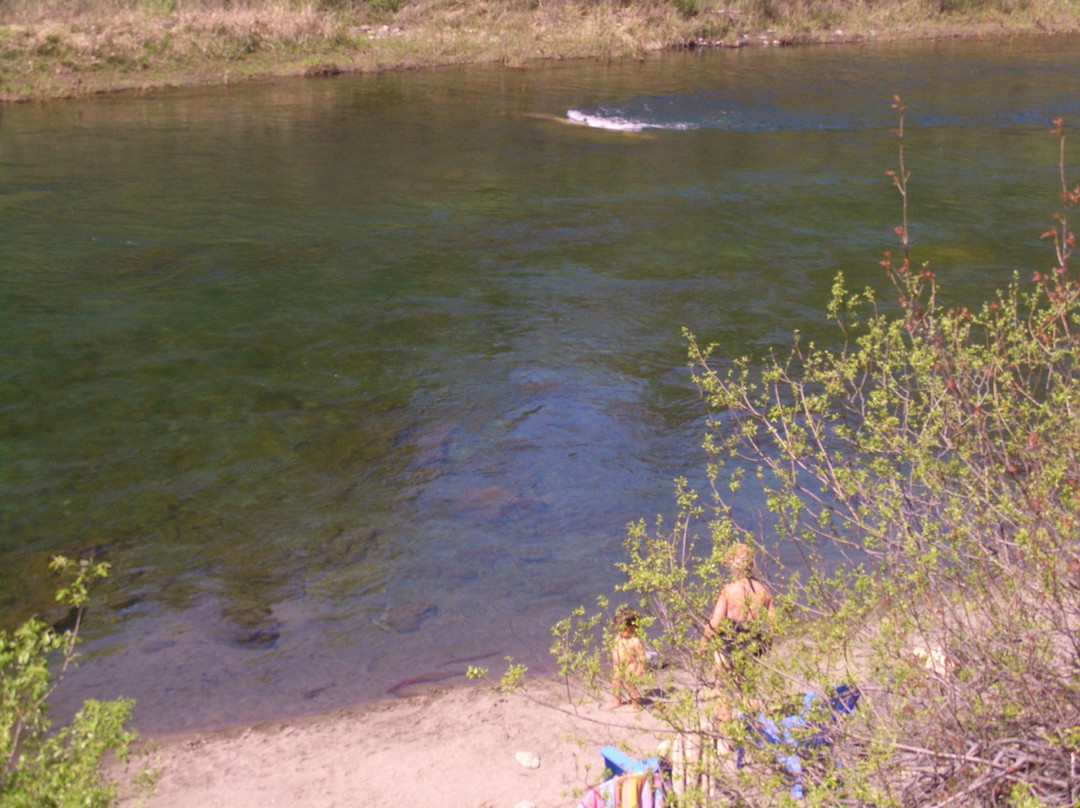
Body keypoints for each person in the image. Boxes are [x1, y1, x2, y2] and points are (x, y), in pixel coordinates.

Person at [700, 543, 776, 673]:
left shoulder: (728, 590)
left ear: (732, 565)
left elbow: (715, 622)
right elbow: (773, 625)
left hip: (732, 643)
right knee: (747, 677)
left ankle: (721, 681)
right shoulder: (764, 590)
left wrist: (702, 645)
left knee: (721, 664)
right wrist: (767, 645)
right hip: (755, 643)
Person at [607, 606, 647, 710]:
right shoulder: (619, 637)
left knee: (628, 684)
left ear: (633, 628)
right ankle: (616, 702)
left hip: (630, 665)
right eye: (618, 629)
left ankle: (635, 705)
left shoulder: (635, 641)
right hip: (619, 666)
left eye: (623, 630)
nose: (620, 632)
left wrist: (639, 670)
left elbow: (642, 657)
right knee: (615, 683)